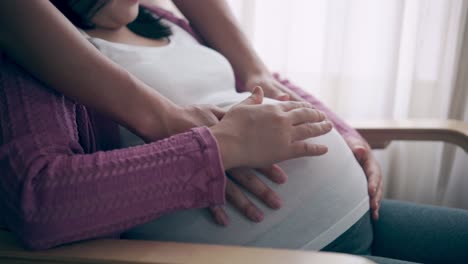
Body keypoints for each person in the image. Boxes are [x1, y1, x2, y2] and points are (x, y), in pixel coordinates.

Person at [0, 1, 467, 264]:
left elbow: (255, 87)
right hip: (277, 253)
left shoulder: (166, 21)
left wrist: (343, 136)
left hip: (361, 218)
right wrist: (215, 152)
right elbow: (42, 202)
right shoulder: (37, 61)